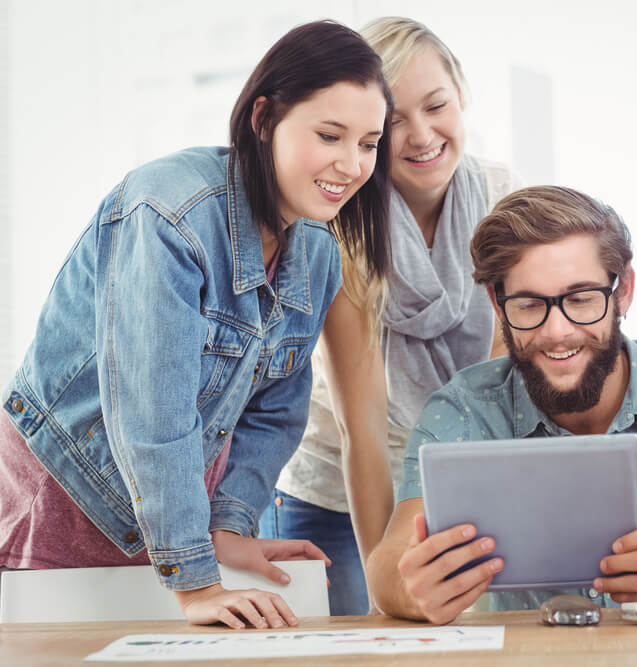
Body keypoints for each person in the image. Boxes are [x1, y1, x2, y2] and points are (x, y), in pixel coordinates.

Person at [0, 20, 393, 629]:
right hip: (65, 492)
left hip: (179, 510)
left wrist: (227, 528)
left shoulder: (319, 253)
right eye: (329, 135)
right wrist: (196, 578)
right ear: (264, 119)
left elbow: (276, 412)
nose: (351, 163)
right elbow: (151, 411)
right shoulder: (167, 212)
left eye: (368, 143)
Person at [367, 186, 637, 624]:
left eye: (581, 300)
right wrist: (410, 590)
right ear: (498, 304)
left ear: (624, 291)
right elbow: (388, 563)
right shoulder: (461, 412)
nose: (557, 331)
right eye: (530, 304)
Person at [260, 17, 520, 616]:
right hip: (336, 495)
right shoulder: (340, 228)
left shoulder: (504, 200)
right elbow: (365, 431)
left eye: (437, 106)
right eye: (395, 120)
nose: (422, 134)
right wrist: (387, 594)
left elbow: (506, 381)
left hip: (453, 478)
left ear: (462, 98)